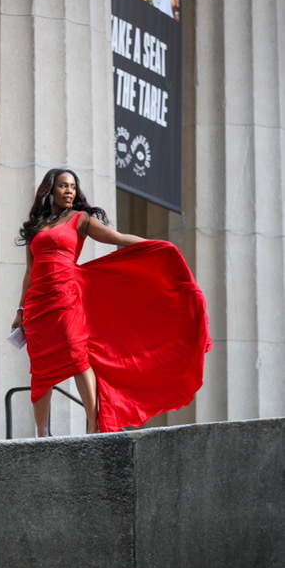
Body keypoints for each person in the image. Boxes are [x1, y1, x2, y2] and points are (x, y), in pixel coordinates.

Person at [12, 168, 211, 437]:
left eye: (72, 186)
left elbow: (116, 238)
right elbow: (28, 272)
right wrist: (21, 309)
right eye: (63, 186)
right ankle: (41, 433)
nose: (69, 191)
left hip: (66, 294)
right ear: (50, 190)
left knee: (76, 354)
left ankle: (94, 425)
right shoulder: (36, 227)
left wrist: (156, 246)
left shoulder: (80, 219)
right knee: (41, 366)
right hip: (37, 303)